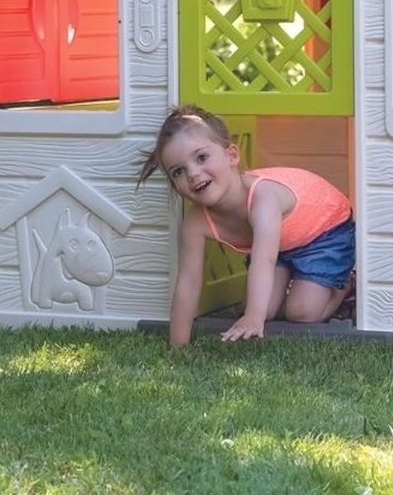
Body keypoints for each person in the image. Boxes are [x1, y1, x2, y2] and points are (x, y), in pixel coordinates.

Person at [138, 106, 354, 347]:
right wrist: (178, 346)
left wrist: (253, 317)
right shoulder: (196, 221)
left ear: (231, 156)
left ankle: (345, 286)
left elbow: (263, 261)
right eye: (178, 171)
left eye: (201, 157)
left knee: (301, 312)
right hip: (281, 245)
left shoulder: (262, 198)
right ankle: (299, 278)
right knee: (263, 307)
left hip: (324, 231)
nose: (193, 174)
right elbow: (188, 282)